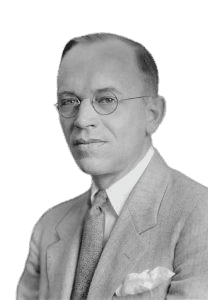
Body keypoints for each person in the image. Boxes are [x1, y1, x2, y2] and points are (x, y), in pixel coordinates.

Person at [16, 32, 208, 300]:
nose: (82, 120)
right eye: (70, 101)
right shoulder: (49, 226)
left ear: (152, 115)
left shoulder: (199, 214)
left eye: (106, 99)